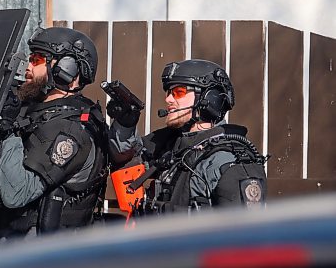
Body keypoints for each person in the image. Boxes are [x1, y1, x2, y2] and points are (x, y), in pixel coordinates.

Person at [0, 13, 108, 247]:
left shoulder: (72, 130)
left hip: (40, 259)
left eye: (38, 59)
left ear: (66, 69)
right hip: (2, 242)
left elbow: (17, 193)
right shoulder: (31, 104)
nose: (28, 65)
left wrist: (5, 127)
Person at [107, 59, 267, 214]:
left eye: (179, 92)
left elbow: (242, 236)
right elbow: (125, 161)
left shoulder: (229, 161)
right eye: (169, 92)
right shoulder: (171, 146)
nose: (168, 99)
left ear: (208, 99)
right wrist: (125, 125)